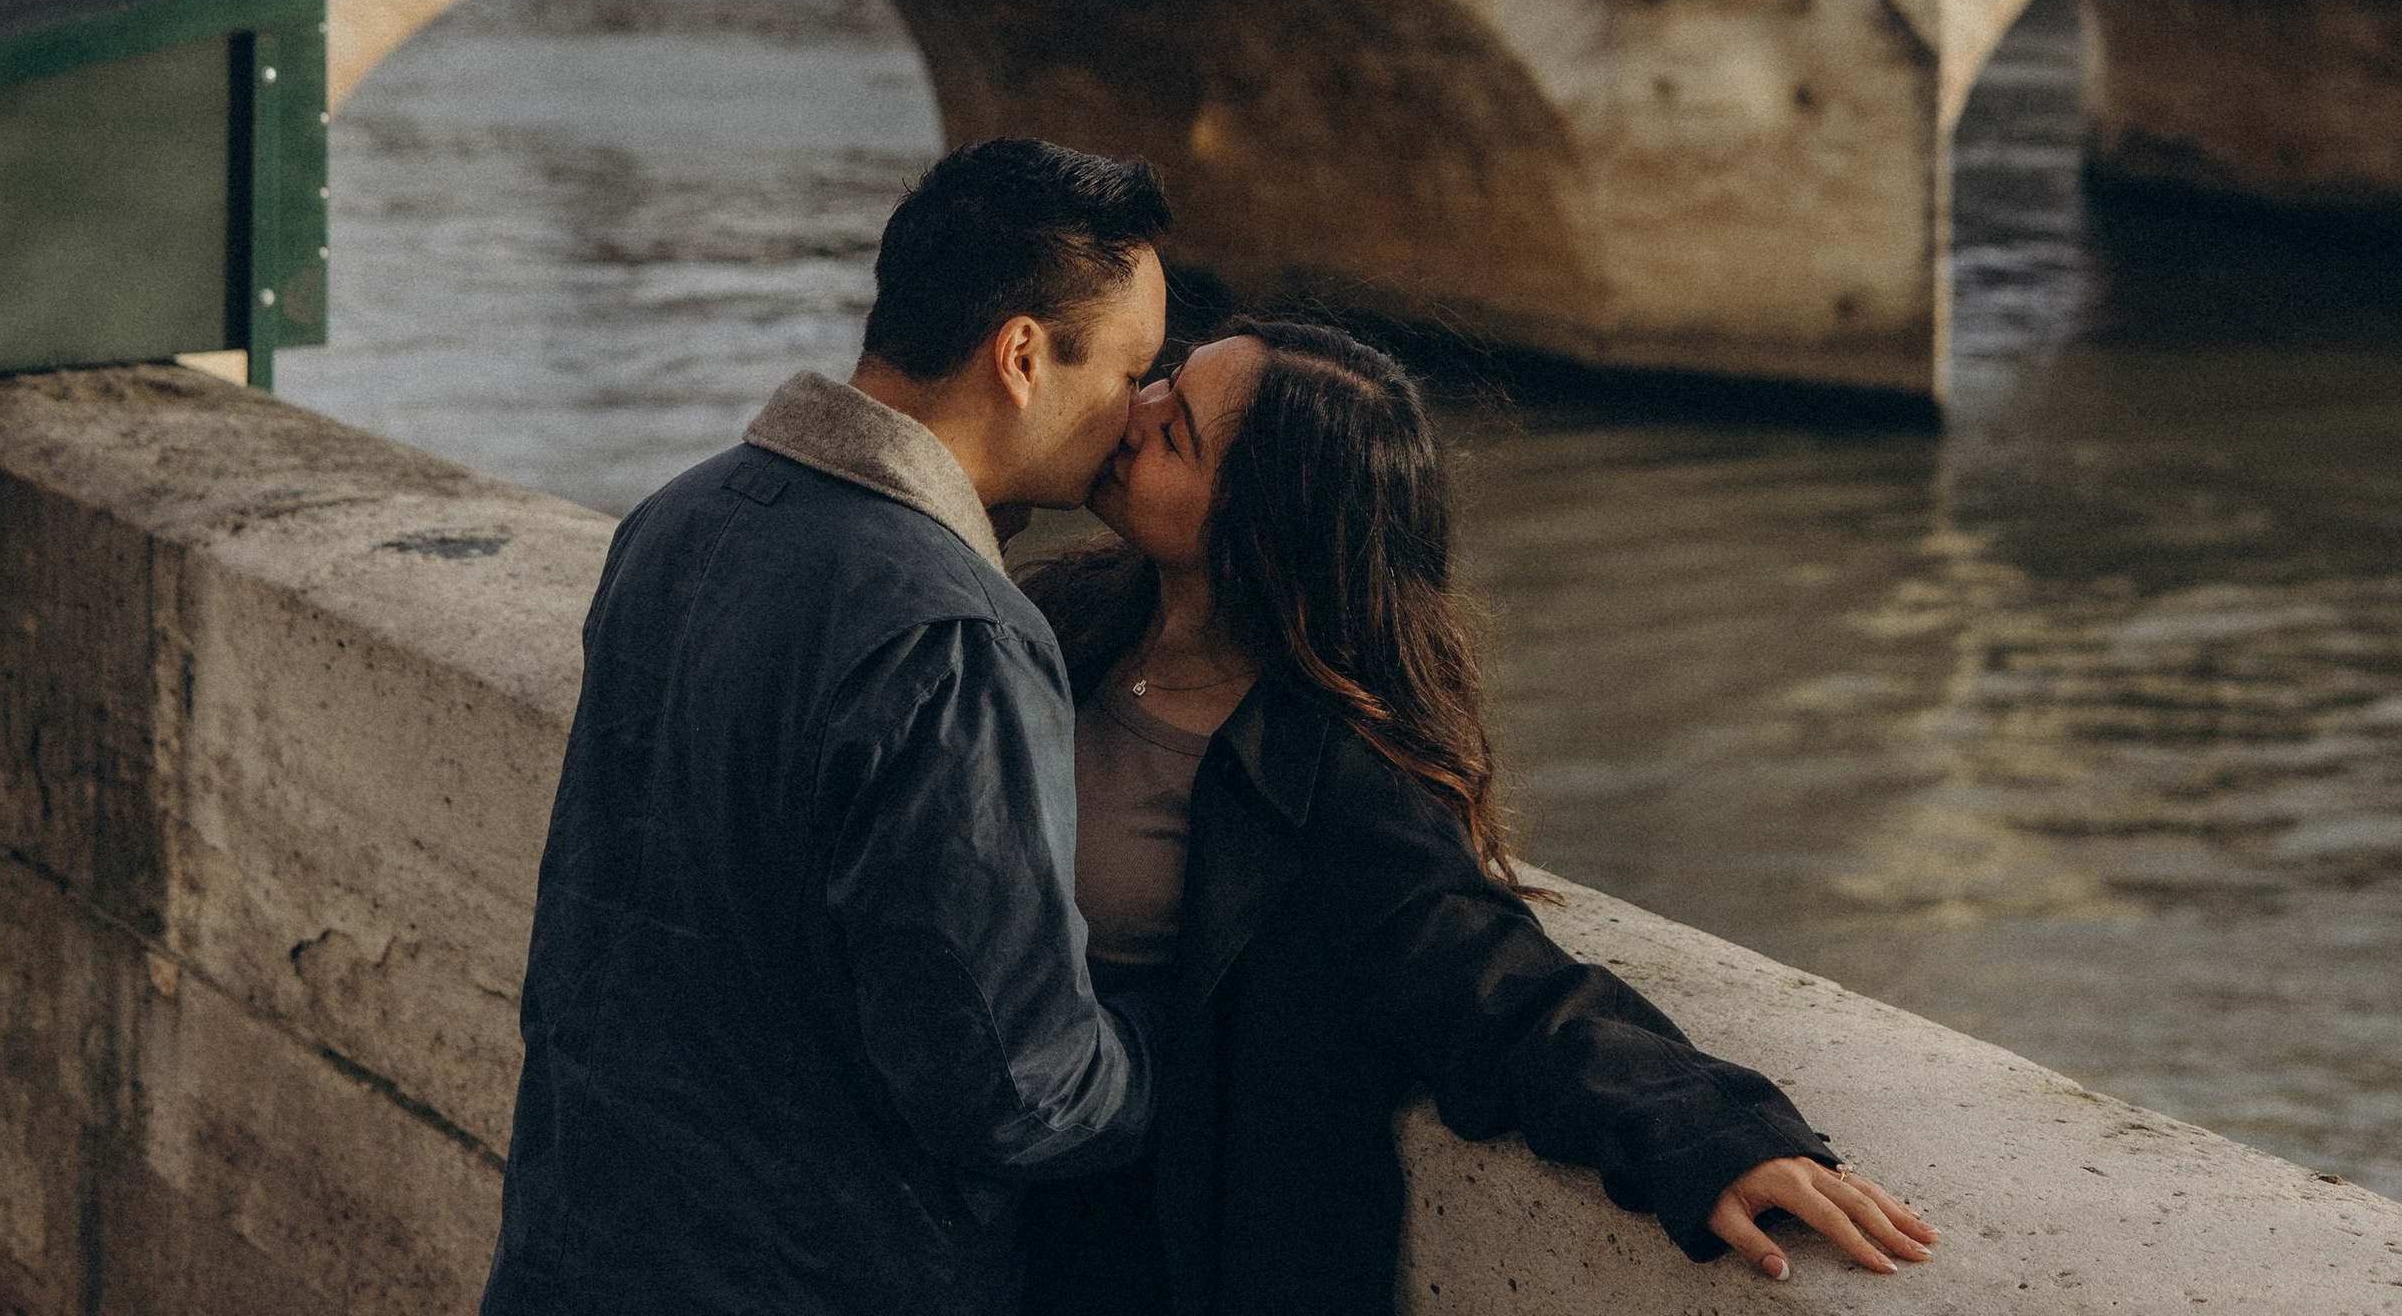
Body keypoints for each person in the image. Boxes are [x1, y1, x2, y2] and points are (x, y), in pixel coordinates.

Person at [1018, 320, 1941, 1316]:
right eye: (1165, 381)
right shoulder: (1062, 613)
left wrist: (1707, 1130)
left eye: (1176, 432)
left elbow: (1489, 973)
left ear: (1260, 525)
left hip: (1125, 1249)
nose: (1134, 408)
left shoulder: (1332, 771)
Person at [480, 141, 1175, 1316]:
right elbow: (1014, 1086)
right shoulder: (956, 634)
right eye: (1130, 368)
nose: (1138, 411)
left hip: (578, 1246)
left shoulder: (677, 516)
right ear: (1020, 357)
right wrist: (1183, 1046)